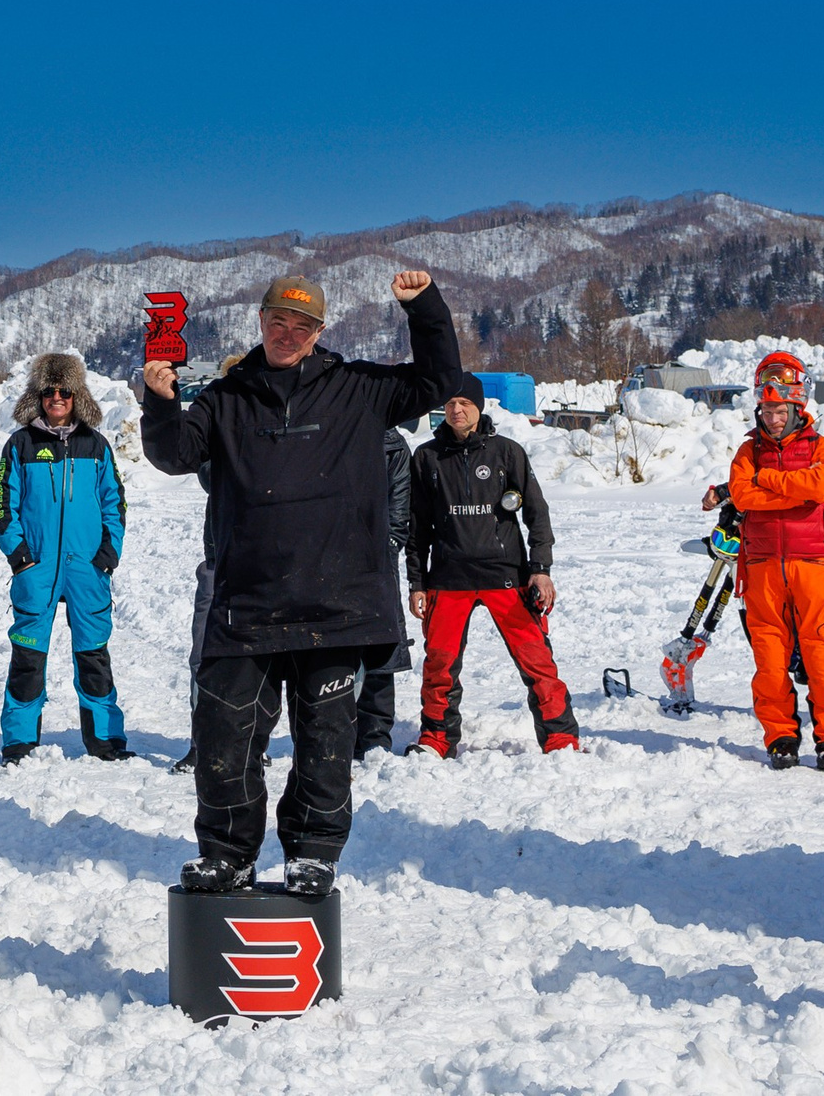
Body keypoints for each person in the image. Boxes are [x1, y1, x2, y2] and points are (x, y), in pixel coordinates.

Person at [142, 270, 457, 898]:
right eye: (278, 322)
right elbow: (174, 454)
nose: (288, 334)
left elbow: (437, 381)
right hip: (247, 604)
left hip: (335, 606)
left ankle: (313, 851)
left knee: (325, 740)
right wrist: (160, 399)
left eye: (302, 326)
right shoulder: (228, 397)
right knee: (224, 739)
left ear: (320, 332)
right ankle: (228, 852)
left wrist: (423, 307)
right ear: (260, 321)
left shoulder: (358, 389)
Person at [407, 375, 577, 758]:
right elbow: (416, 526)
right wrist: (416, 582)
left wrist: (541, 568)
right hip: (448, 580)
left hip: (507, 577)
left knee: (538, 663)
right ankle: (435, 740)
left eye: (465, 402)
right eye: (450, 403)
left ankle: (560, 740)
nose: (456, 409)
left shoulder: (506, 452)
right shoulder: (427, 457)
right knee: (439, 667)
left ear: (479, 406)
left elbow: (537, 512)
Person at [715, 351, 824, 772]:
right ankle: (781, 736)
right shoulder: (747, 451)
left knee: (821, 659)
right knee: (769, 661)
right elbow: (741, 495)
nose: (774, 418)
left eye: (782, 410)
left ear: (798, 407)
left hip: (815, 566)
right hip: (762, 567)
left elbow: (820, 484)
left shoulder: (823, 447)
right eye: (768, 409)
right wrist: (789, 489)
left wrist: (768, 481)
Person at [0, 353, 130, 765]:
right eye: (49, 391)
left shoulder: (96, 444)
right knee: (28, 656)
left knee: (94, 654)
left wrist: (107, 555)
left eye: (65, 391)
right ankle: (19, 741)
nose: (57, 398)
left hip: (87, 569)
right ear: (39, 395)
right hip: (37, 570)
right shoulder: (21, 444)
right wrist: (19, 556)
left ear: (76, 395)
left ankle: (105, 739)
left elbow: (115, 502)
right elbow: (3, 503)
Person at [354, 427, 415, 758]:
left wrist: (388, 546)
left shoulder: (392, 443)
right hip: (327, 555)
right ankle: (340, 734)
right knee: (335, 651)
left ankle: (376, 735)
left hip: (377, 557)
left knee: (380, 648)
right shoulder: (329, 429)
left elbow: (400, 506)